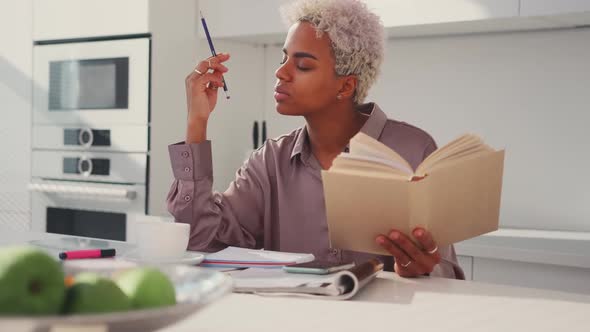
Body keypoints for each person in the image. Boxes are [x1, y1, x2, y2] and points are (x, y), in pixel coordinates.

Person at [167, 0, 464, 279]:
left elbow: (447, 273)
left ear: (346, 85)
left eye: (303, 65)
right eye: (284, 58)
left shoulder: (413, 150)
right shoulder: (270, 162)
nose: (280, 72)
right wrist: (197, 122)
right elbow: (200, 239)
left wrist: (422, 271)